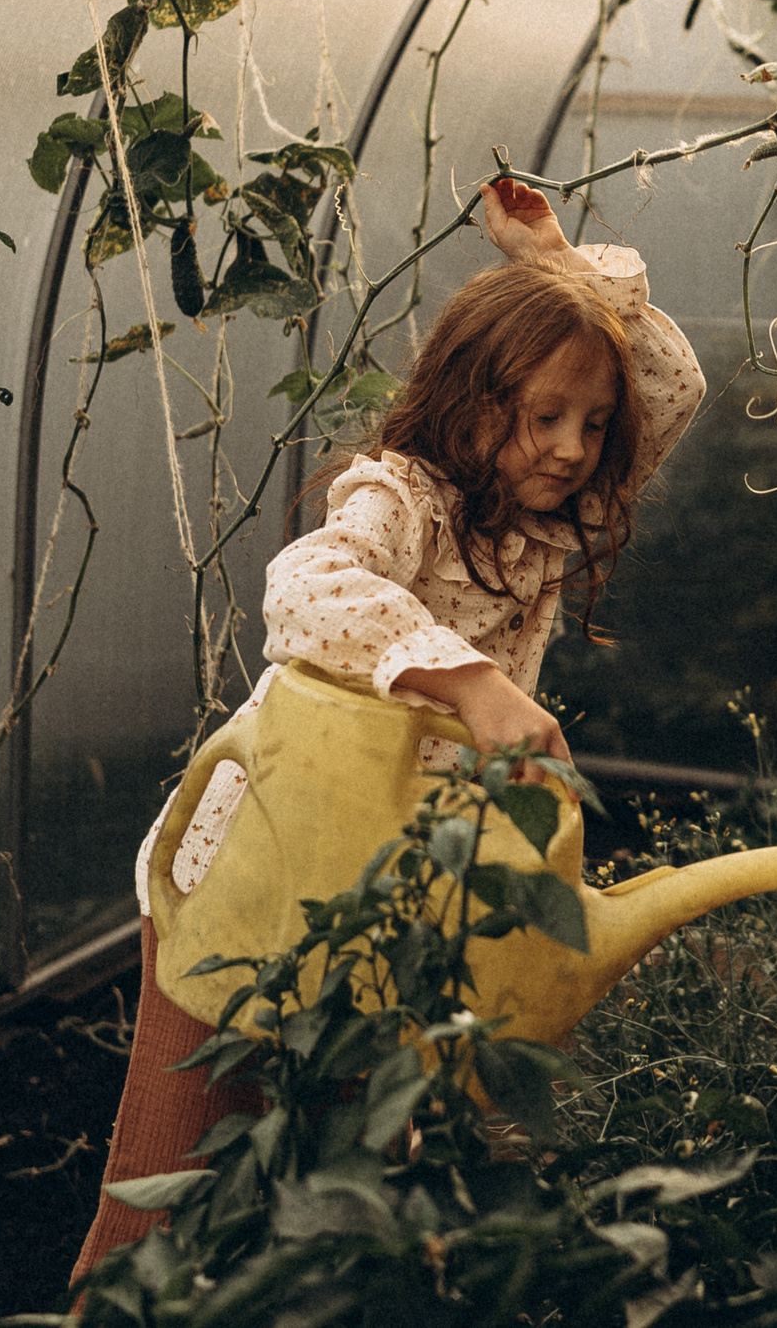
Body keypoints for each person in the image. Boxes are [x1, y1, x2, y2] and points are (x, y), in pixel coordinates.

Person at [69, 176, 705, 1284]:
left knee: (342, 1191)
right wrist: (471, 683)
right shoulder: (400, 499)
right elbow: (307, 587)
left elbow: (671, 383)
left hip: (380, 896)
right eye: (544, 415)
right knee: (166, 1187)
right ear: (469, 401)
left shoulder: (543, 523)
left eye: (592, 424)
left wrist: (553, 264)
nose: (572, 447)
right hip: (244, 874)